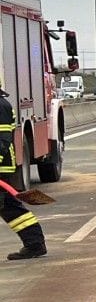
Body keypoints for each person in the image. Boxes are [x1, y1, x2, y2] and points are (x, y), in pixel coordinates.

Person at [0, 83, 47, 260]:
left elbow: (2, 141)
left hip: (1, 166)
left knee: (9, 207)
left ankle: (35, 244)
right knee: (9, 207)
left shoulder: (1, 106)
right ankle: (35, 244)